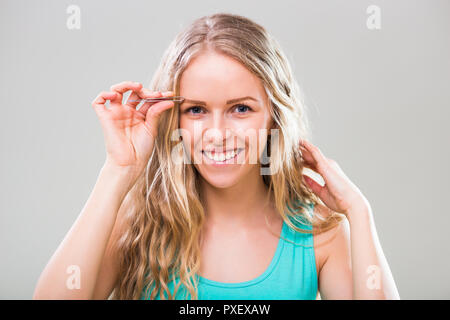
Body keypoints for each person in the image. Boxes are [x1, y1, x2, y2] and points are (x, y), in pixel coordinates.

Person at [33, 13, 399, 300]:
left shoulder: (319, 231)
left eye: (240, 109)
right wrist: (118, 170)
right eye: (195, 110)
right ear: (171, 117)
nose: (218, 133)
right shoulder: (137, 222)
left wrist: (358, 211)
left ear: (274, 115)